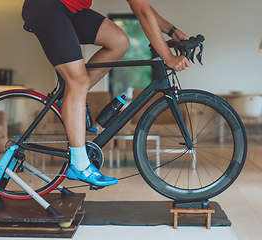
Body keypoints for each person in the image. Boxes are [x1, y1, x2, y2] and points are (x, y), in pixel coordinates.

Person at [22, 0, 190, 187]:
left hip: (71, 9)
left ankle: (70, 102)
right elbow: (142, 11)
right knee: (78, 81)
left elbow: (144, 8)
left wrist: (173, 31)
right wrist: (168, 57)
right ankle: (79, 164)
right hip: (47, 6)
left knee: (119, 41)